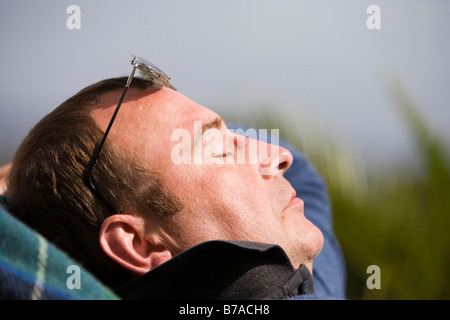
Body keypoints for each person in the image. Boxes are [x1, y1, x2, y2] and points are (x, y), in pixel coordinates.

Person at [2, 65, 346, 299]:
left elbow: (299, 166)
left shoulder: (294, 272)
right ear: (140, 243)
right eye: (219, 151)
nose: (277, 154)